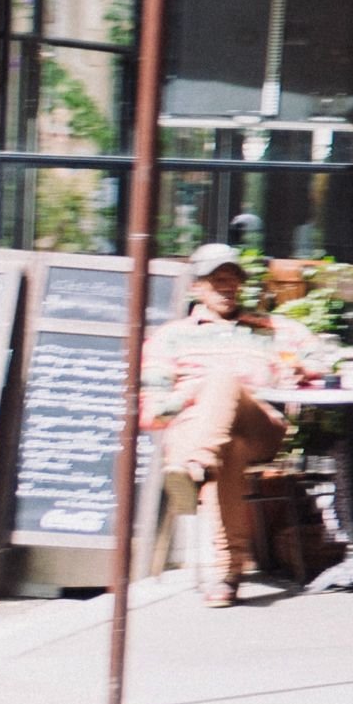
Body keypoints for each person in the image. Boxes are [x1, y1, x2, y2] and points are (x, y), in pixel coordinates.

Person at [138, 256, 300, 601]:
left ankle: (194, 465)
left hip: (259, 424)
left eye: (233, 279)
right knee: (228, 447)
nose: (228, 287)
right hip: (201, 431)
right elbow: (152, 414)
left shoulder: (269, 328)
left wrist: (300, 369)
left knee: (224, 380)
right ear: (196, 287)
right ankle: (227, 574)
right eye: (216, 280)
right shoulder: (169, 338)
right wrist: (193, 392)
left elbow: (323, 357)